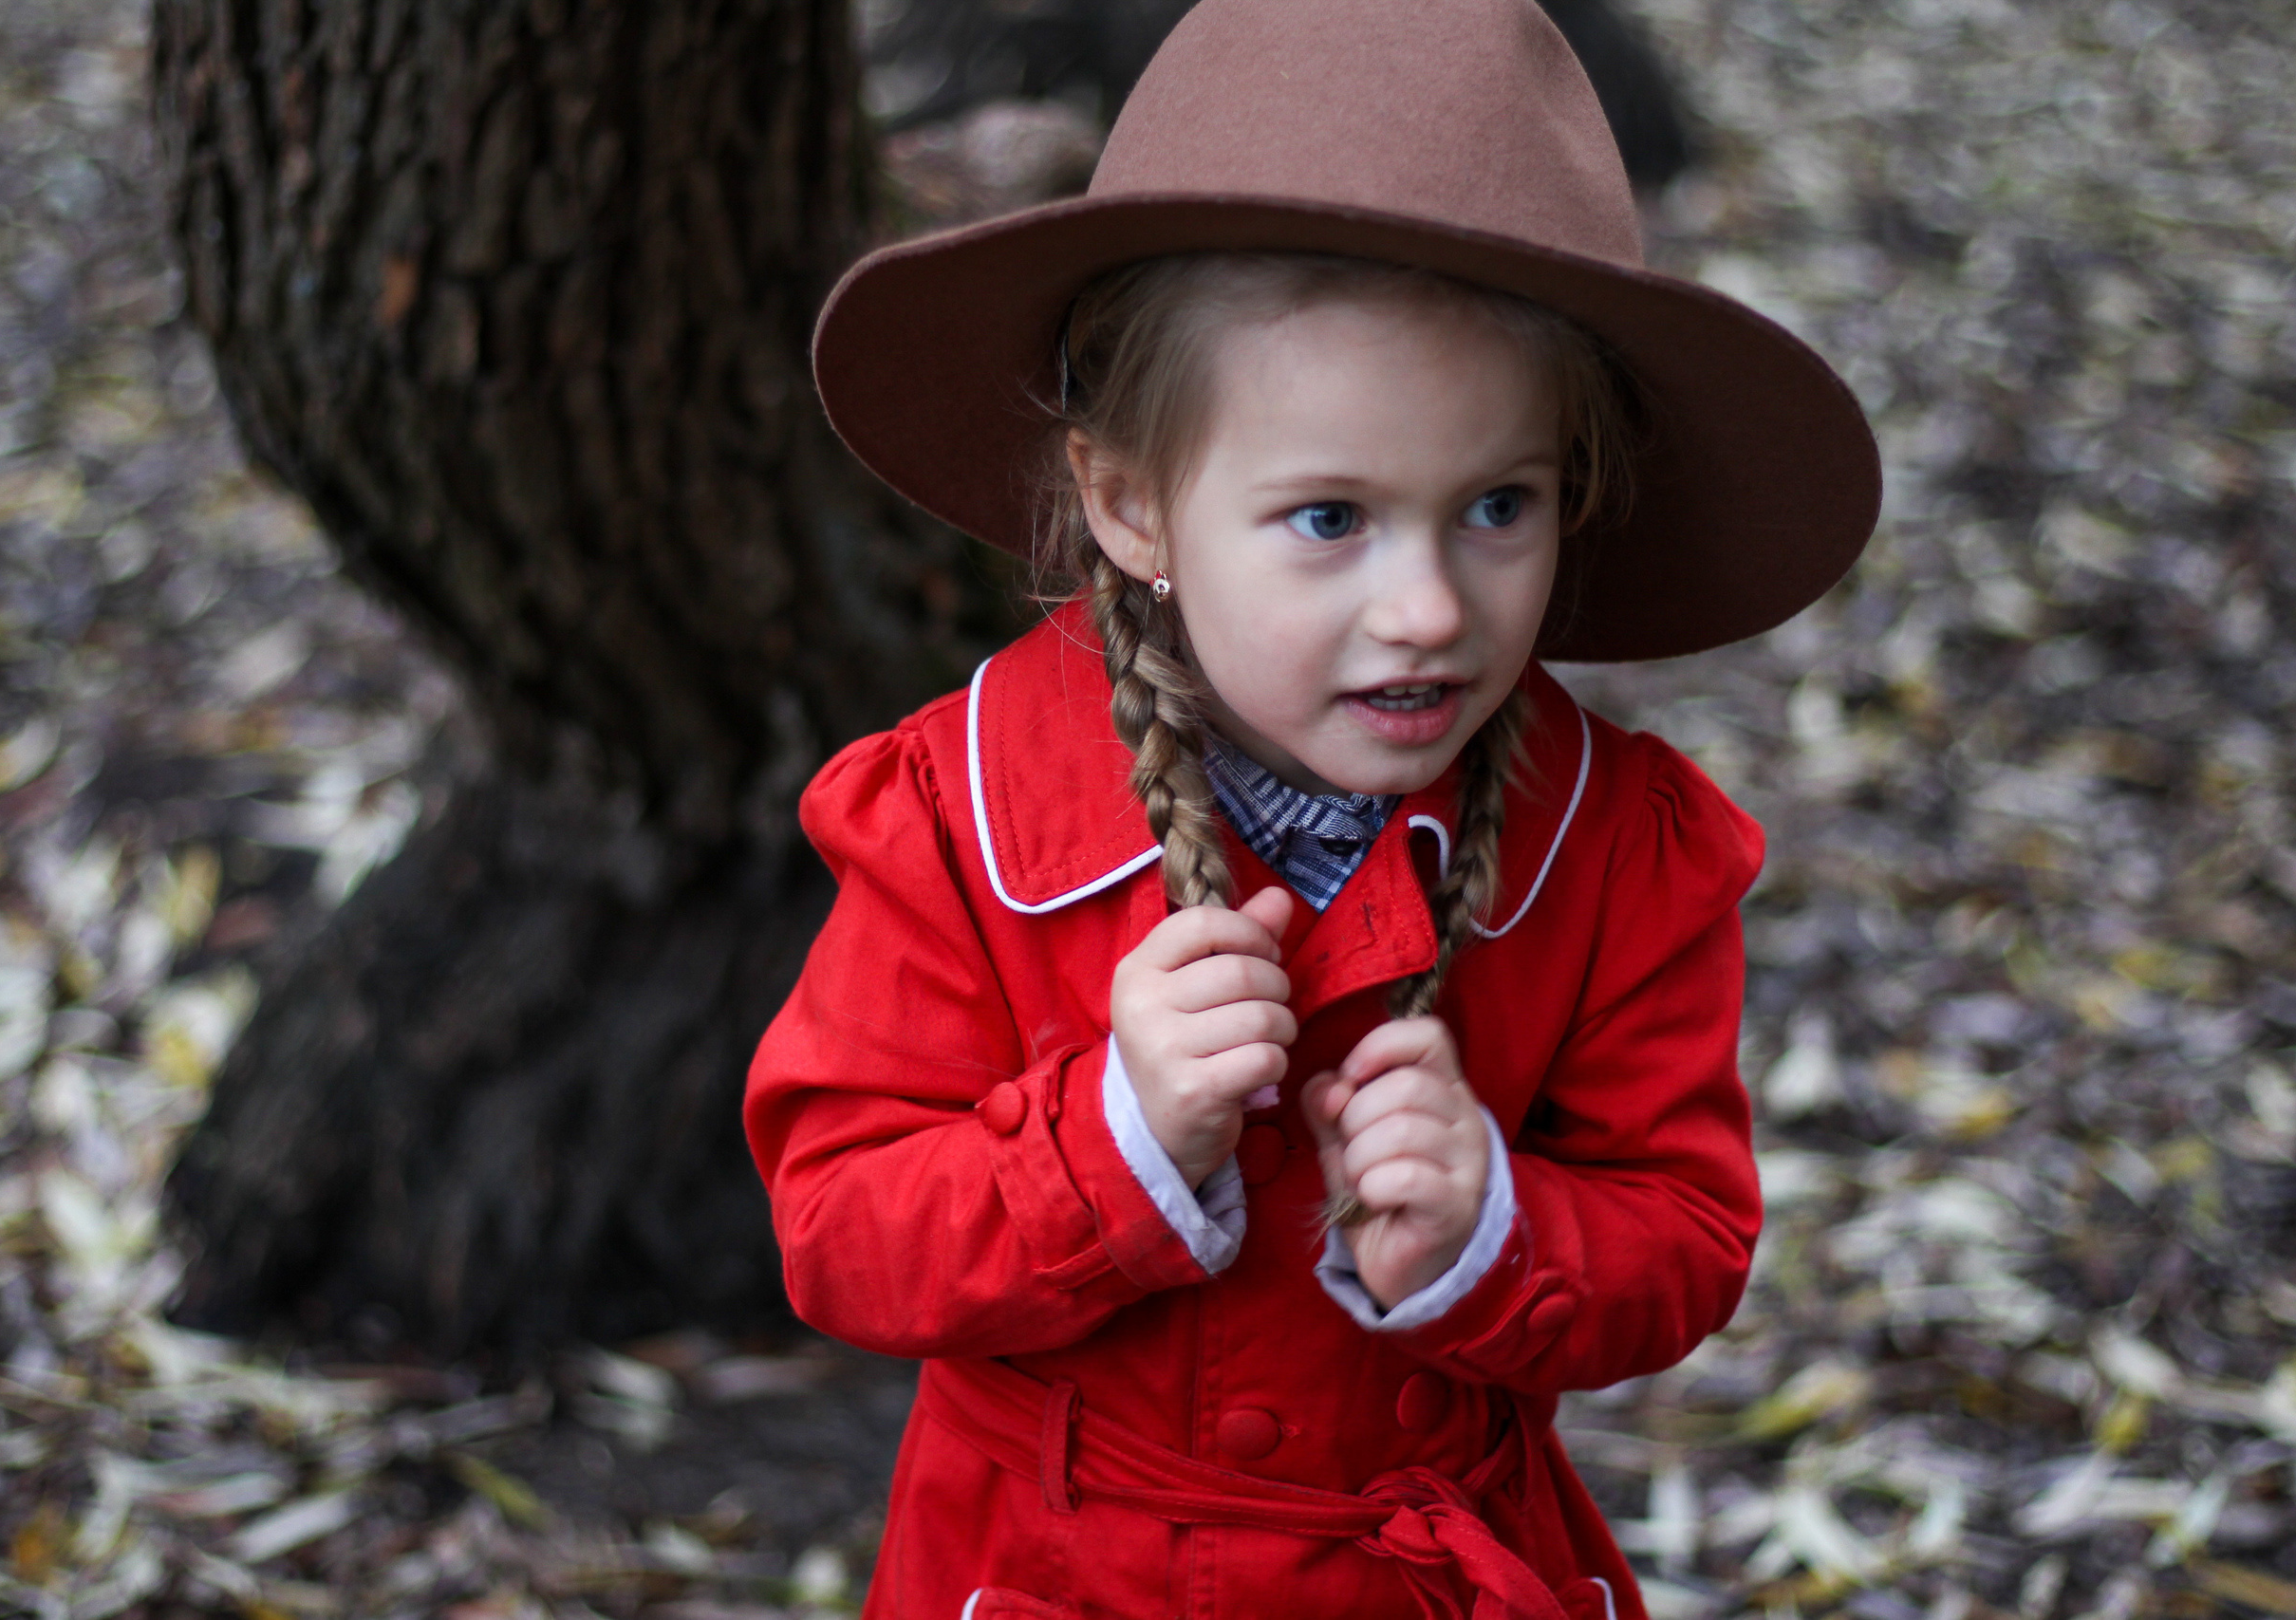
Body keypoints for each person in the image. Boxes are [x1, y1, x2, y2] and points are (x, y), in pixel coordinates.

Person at [746, 0, 1880, 1614]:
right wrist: (1113, 1138)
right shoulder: (960, 810)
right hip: (1054, 1573)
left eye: (1499, 505)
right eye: (1330, 516)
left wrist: (1501, 1225)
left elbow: (1683, 1236)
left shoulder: (1618, 849)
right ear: (1131, 501)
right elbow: (840, 1227)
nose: (1425, 607)